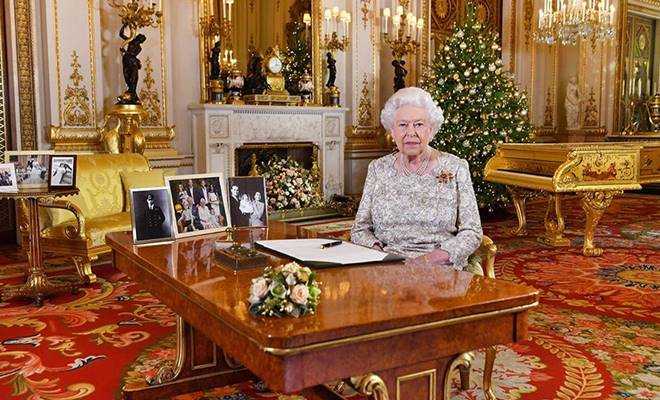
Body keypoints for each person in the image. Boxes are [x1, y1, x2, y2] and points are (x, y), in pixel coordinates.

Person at [350, 87, 483, 273]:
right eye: (403, 125)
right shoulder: (377, 168)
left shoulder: (456, 167)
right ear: (392, 131)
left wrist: (429, 260)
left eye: (418, 124)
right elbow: (359, 229)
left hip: (440, 267)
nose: (410, 132)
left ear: (431, 129)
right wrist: (377, 253)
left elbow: (472, 232)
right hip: (388, 267)